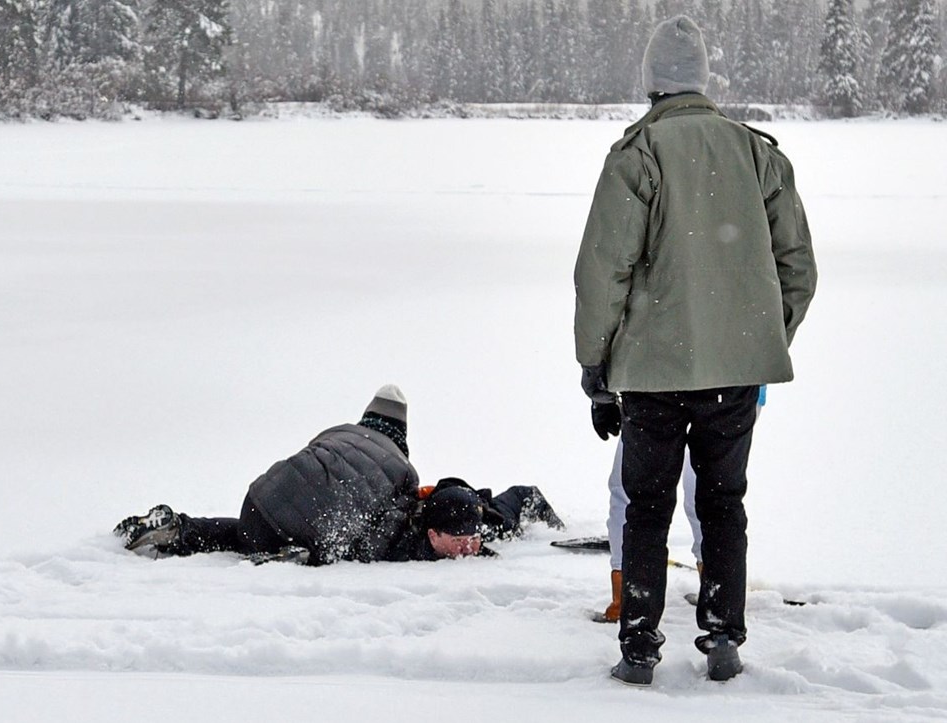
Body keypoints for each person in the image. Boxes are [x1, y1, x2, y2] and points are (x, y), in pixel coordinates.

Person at [574, 15, 816, 686]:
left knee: (647, 503)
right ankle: (722, 639)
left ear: (651, 83)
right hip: (734, 375)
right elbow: (798, 268)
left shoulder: (637, 155)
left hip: (652, 374)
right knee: (723, 500)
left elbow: (603, 272)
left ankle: (640, 647)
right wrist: (758, 335)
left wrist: (596, 367)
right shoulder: (757, 153)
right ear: (702, 81)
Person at [114, 385, 563, 564]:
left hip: (258, 500)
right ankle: (295, 554)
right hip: (295, 532)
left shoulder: (346, 433)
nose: (468, 546)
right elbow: (369, 537)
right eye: (460, 540)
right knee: (322, 532)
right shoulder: (403, 482)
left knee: (252, 532)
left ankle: (180, 529)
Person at [595, 388, 767, 623]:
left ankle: (627, 598)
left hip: (656, 384)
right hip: (732, 383)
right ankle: (719, 599)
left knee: (635, 493)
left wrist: (600, 389)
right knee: (714, 493)